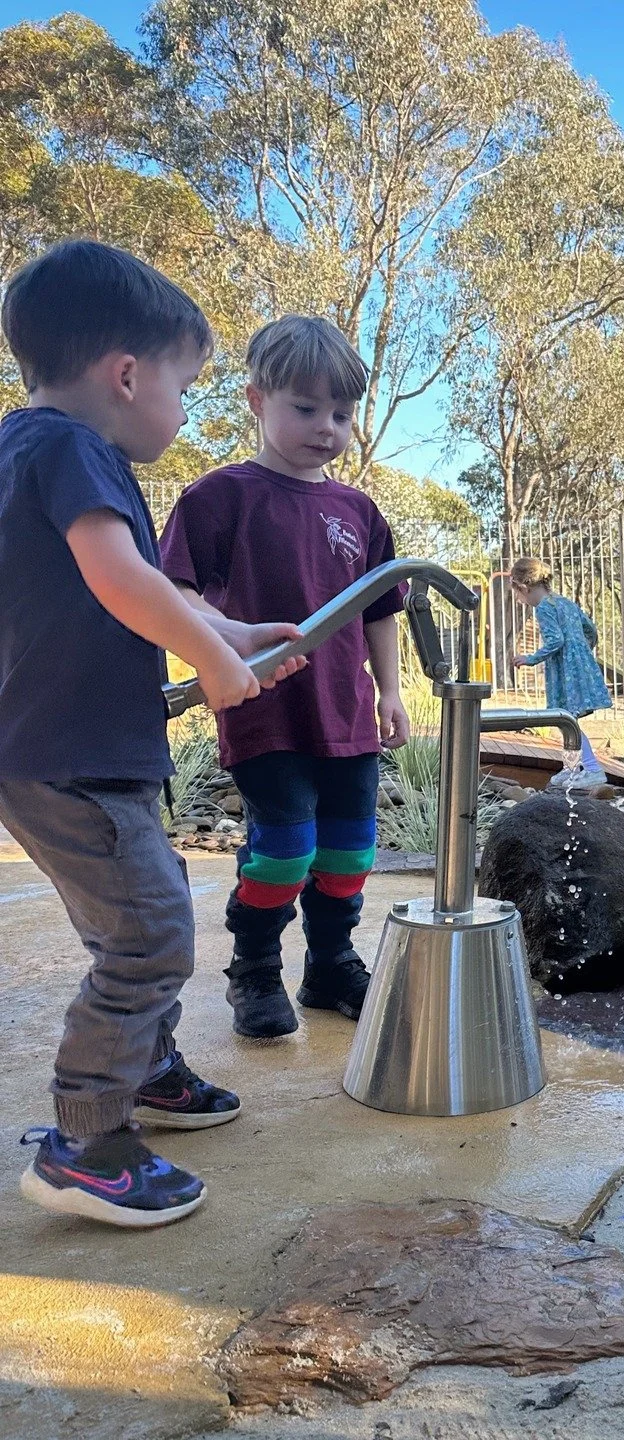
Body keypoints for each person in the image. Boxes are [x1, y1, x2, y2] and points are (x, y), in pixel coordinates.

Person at [0, 240, 306, 1226]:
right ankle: (86, 1141)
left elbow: (137, 589)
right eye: (185, 385)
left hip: (65, 750)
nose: (184, 410)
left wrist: (230, 631)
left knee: (144, 908)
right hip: (72, 755)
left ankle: (148, 1068)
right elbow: (122, 580)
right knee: (148, 938)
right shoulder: (72, 450)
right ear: (126, 375)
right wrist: (216, 666)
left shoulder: (32, 449)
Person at [159, 316, 408, 1040]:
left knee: (349, 852)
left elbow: (381, 609)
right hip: (263, 711)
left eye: (342, 412)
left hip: (347, 712)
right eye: (306, 408)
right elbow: (175, 592)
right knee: (283, 851)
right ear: (255, 401)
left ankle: (330, 964)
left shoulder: (358, 510)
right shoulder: (218, 498)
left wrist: (390, 692)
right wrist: (218, 647)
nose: (326, 426)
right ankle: (256, 970)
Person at [508, 557, 614, 785]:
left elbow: (555, 640)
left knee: (566, 719)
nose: (519, 599)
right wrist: (582, 652)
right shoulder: (564, 602)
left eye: (517, 594)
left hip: (565, 670)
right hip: (579, 665)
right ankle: (571, 766)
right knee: (566, 718)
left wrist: (531, 659)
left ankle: (592, 769)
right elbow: (591, 630)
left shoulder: (543, 608)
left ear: (524, 588)